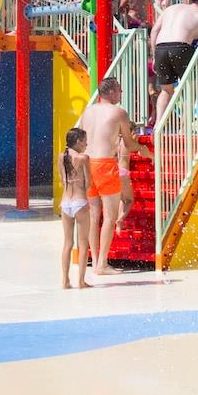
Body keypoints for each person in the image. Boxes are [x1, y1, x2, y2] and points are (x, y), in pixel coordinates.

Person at [79, 77, 138, 275]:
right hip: (104, 165)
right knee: (110, 217)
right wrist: (145, 151)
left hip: (87, 164)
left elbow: (81, 139)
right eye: (119, 90)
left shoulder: (88, 111)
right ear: (111, 92)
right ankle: (102, 265)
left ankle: (96, 260)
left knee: (94, 216)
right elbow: (128, 143)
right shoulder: (119, 112)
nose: (121, 93)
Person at [149, 0, 198, 121]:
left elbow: (155, 30)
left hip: (160, 48)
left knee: (166, 90)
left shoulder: (171, 8)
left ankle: (158, 127)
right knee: (190, 90)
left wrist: (154, 55)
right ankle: (185, 128)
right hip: (181, 48)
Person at [58, 127, 92, 289]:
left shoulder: (61, 156)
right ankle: (81, 281)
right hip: (79, 201)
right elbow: (88, 183)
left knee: (67, 244)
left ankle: (65, 280)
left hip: (65, 202)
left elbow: (62, 179)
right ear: (78, 142)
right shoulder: (83, 158)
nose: (86, 144)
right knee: (83, 243)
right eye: (85, 141)